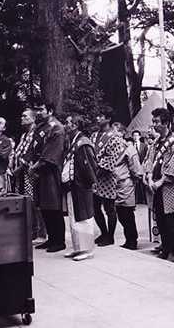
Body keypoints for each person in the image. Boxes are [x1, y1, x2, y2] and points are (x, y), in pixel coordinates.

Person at [143, 108, 174, 262]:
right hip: (155, 187)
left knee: (169, 219)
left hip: (168, 187)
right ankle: (164, 247)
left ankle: (172, 250)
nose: (154, 125)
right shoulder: (155, 142)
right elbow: (149, 161)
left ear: (166, 123)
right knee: (159, 218)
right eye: (153, 121)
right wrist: (148, 176)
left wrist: (161, 181)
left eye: (157, 122)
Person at [31, 100, 66, 253]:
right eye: (37, 109)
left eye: (41, 109)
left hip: (51, 169)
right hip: (40, 169)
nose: (38, 112)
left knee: (53, 206)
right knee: (44, 206)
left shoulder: (57, 128)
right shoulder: (40, 127)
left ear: (50, 111)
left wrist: (37, 165)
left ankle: (59, 240)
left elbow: (53, 153)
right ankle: (51, 238)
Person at [62, 116, 98, 261]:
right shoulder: (74, 141)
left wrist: (90, 183)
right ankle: (77, 247)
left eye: (68, 123)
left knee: (84, 217)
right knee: (74, 217)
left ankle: (87, 249)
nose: (65, 125)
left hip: (82, 185)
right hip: (73, 185)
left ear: (75, 125)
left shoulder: (83, 143)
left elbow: (90, 164)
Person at [12, 108, 46, 242]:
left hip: (31, 172)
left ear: (33, 118)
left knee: (34, 202)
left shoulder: (36, 133)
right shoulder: (24, 135)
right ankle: (31, 230)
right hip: (21, 173)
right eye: (21, 115)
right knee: (27, 201)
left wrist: (20, 167)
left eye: (25, 116)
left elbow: (31, 153)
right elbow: (19, 152)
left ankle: (41, 233)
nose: (22, 118)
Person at [91, 112, 124, 247]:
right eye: (97, 116)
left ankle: (110, 236)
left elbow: (111, 158)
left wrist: (97, 171)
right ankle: (103, 232)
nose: (98, 118)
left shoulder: (115, 137)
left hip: (107, 176)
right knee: (95, 208)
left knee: (109, 208)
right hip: (93, 175)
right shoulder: (93, 135)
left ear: (109, 119)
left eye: (101, 116)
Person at [112, 124, 144, 250]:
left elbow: (135, 167)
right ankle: (128, 239)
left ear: (121, 133)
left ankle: (132, 240)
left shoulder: (128, 147)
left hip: (125, 183)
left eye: (114, 132)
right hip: (115, 184)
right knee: (120, 213)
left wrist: (135, 178)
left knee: (127, 213)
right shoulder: (113, 147)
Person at [132, 130, 148, 204]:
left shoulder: (144, 145)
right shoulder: (130, 145)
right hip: (134, 167)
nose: (135, 137)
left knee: (143, 184)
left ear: (139, 136)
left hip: (142, 166)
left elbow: (146, 156)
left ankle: (144, 199)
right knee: (135, 184)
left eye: (137, 135)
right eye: (134, 136)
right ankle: (136, 200)